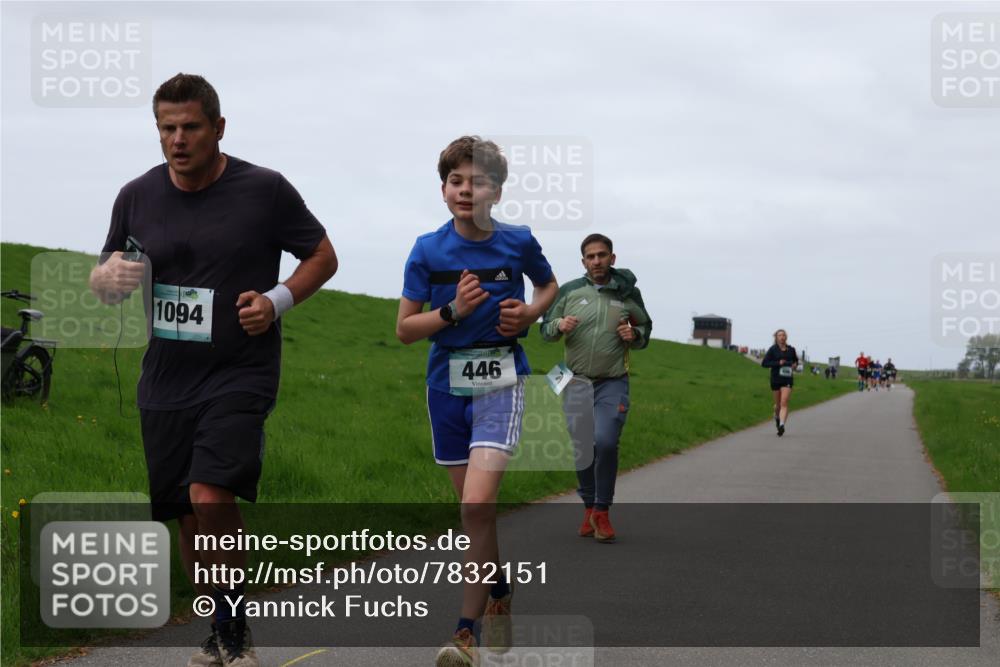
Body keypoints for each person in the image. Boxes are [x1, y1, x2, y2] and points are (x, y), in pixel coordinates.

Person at [89, 73, 337, 667]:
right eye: (167, 128)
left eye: (190, 127)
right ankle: (216, 629)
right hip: (166, 377)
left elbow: (323, 255)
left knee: (210, 493)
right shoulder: (136, 196)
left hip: (240, 370)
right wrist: (108, 280)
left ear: (218, 128)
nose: (178, 139)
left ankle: (237, 635)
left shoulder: (265, 190)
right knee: (184, 512)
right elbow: (105, 276)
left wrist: (275, 301)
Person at [395, 136, 558, 666]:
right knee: (476, 519)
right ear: (444, 190)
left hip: (502, 380)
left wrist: (530, 316)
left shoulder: (518, 241)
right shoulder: (427, 249)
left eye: (479, 181)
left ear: (498, 191)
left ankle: (465, 634)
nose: (467, 190)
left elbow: (548, 286)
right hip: (446, 388)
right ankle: (500, 590)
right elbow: (404, 329)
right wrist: (453, 313)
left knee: (475, 506)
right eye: (457, 181)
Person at [540, 234, 651, 543]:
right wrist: (558, 325)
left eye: (602, 255)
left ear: (612, 258)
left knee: (604, 442)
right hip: (574, 381)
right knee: (582, 447)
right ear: (583, 262)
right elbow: (545, 330)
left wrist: (634, 333)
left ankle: (602, 510)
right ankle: (589, 506)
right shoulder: (570, 291)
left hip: (612, 381)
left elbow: (646, 329)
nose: (597, 261)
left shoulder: (628, 293)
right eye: (591, 256)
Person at [761, 330, 798, 436]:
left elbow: (796, 361)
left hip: (787, 378)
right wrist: (778, 363)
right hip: (776, 378)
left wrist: (795, 365)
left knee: (784, 402)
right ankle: (777, 418)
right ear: (776, 338)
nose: (782, 337)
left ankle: (782, 425)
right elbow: (764, 363)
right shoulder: (773, 350)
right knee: (778, 405)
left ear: (786, 337)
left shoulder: (791, 350)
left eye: (783, 335)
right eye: (779, 335)